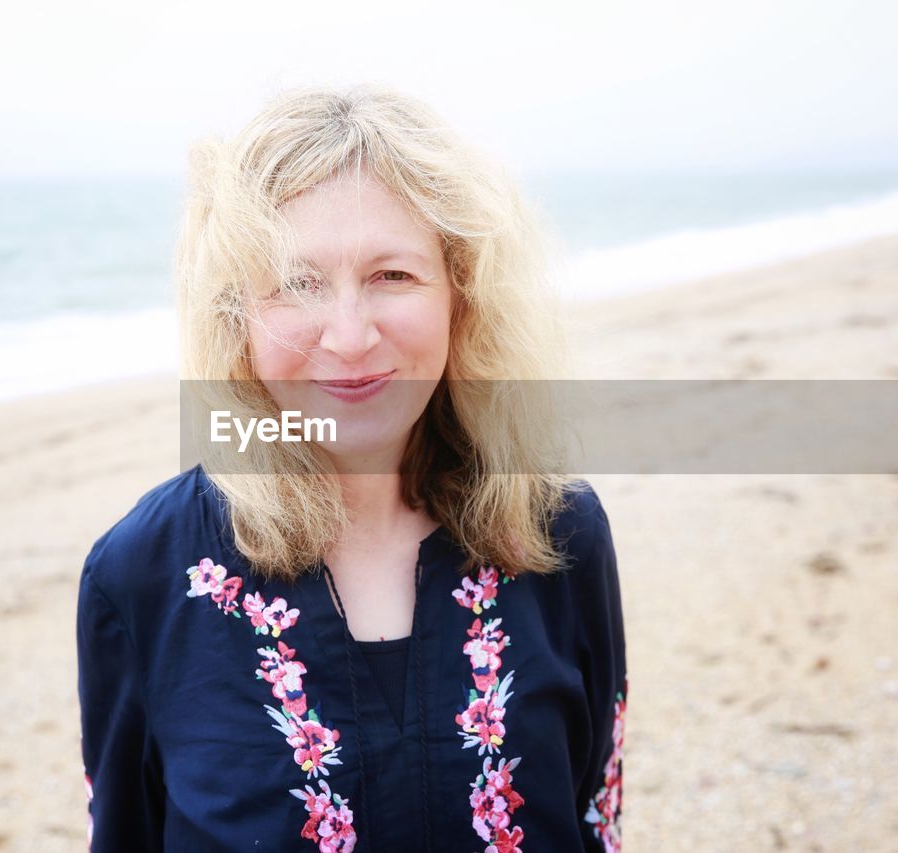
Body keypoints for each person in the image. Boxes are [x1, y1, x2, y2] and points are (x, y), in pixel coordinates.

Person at [76, 84, 628, 852]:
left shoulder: (560, 532)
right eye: (297, 283)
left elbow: (596, 815)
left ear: (460, 296)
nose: (349, 334)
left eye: (392, 275)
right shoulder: (141, 573)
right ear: (238, 314)